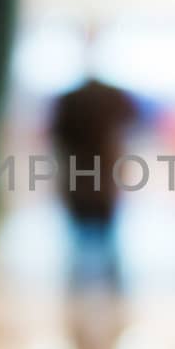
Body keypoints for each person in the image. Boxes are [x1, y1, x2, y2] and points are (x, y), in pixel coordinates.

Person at [49, 75, 138, 291]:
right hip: (100, 180)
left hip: (81, 179)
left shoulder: (70, 101)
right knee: (103, 240)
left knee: (83, 241)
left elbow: (56, 136)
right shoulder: (110, 98)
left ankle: (82, 283)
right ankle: (107, 284)